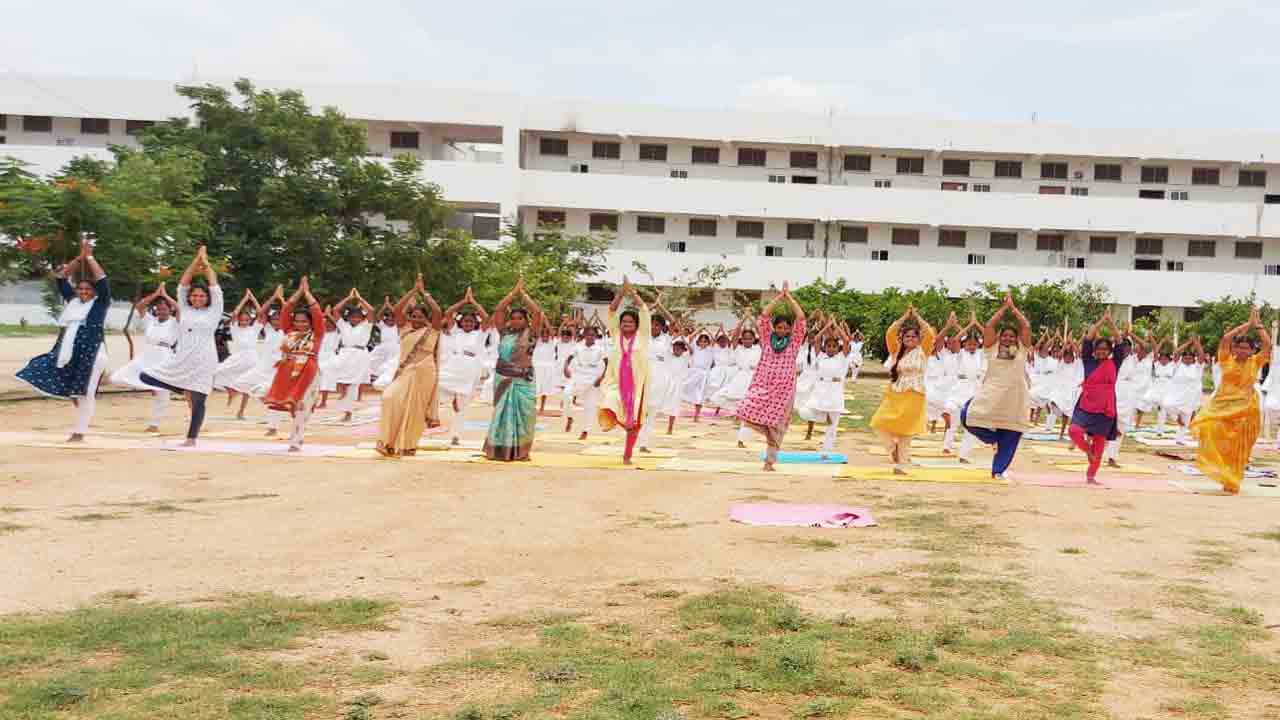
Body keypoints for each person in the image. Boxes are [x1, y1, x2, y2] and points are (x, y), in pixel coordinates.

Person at [16, 236, 111, 442]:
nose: (84, 292)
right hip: (68, 351)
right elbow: (60, 278)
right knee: (68, 387)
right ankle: (81, 419)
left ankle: (79, 431)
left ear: (94, 292)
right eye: (81, 289)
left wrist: (91, 258)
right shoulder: (73, 302)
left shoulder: (100, 303)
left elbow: (103, 281)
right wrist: (80, 257)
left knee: (86, 393)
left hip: (93, 353)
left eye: (88, 290)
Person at [139, 246, 223, 446]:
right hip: (182, 357)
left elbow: (214, 286)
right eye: (194, 296)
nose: (197, 298)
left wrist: (206, 262)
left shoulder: (214, 310)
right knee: (146, 376)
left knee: (198, 400)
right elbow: (183, 284)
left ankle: (191, 438)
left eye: (202, 296)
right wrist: (196, 261)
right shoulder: (183, 308)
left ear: (207, 298)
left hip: (204, 358)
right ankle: (183, 388)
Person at [1191, 308, 1272, 494]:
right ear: (1234, 349)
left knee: (1239, 448)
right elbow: (1227, 338)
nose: (1242, 350)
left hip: (1246, 411)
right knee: (1209, 427)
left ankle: (1232, 481)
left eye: (1246, 348)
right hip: (1222, 406)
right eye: (1239, 347)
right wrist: (1247, 325)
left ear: (1253, 350)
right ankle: (1222, 472)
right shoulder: (1226, 359)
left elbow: (1267, 345)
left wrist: (1258, 327)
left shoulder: (1256, 362)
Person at [959, 294, 1033, 480]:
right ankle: (993, 439)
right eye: (1005, 335)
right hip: (991, 394)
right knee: (967, 416)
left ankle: (998, 470)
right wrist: (1003, 309)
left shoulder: (1023, 349)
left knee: (1012, 433)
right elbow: (990, 326)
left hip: (1015, 396)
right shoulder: (991, 348)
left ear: (1016, 339)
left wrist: (1014, 309)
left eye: (1011, 336)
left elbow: (1026, 327)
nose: (1008, 338)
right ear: (1000, 337)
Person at [735, 284, 807, 471]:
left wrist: (789, 298)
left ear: (790, 330)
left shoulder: (794, 342)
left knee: (778, 426)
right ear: (774, 328)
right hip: (763, 385)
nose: (782, 330)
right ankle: (764, 434)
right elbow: (764, 317)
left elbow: (801, 318)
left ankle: (769, 462)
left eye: (786, 327)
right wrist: (778, 298)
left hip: (783, 390)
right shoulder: (767, 339)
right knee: (745, 408)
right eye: (779, 327)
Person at [376, 275, 443, 458]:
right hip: (405, 371)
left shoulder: (432, 330)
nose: (416, 319)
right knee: (389, 398)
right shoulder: (405, 329)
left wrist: (424, 293)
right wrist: (413, 290)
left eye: (420, 317)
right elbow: (397, 310)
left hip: (425, 372)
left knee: (415, 410)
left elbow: (438, 312)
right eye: (413, 316)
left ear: (426, 319)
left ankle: (408, 445)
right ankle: (388, 441)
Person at [870, 305, 937, 474]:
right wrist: (904, 317)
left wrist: (917, 317)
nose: (910, 339)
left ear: (918, 339)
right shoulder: (895, 351)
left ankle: (901, 465)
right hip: (895, 393)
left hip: (915, 394)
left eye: (913, 336)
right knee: (878, 423)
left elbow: (929, 333)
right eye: (907, 336)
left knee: (906, 432)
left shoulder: (924, 351)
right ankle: (893, 449)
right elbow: (890, 333)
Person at [483, 279, 544, 461]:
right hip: (503, 378)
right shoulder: (505, 333)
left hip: (523, 380)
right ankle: (499, 450)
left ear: (526, 321)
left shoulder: (531, 334)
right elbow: (499, 310)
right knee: (501, 414)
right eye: (514, 318)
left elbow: (537, 312)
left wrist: (523, 295)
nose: (516, 321)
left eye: (520, 318)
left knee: (525, 415)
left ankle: (521, 451)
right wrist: (512, 294)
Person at [261, 277, 325, 451]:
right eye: (297, 321)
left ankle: (296, 439)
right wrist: (298, 293)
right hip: (287, 370)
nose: (299, 324)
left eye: (304, 321)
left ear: (311, 323)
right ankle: (297, 434)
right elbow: (286, 310)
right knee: (291, 406)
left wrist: (308, 294)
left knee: (302, 406)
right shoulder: (289, 331)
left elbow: (318, 314)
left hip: (308, 372)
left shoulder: (317, 334)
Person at [1067, 311, 1128, 485]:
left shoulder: (1115, 362)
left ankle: (1091, 476)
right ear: (1094, 351)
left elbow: (1120, 341)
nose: (1101, 351)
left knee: (1100, 443)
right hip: (1086, 403)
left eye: (1105, 349)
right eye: (1099, 349)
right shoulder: (1088, 360)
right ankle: (1088, 450)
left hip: (1106, 407)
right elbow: (1088, 338)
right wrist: (1102, 320)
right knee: (1074, 431)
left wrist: (1111, 323)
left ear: (1109, 352)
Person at [109, 282, 179, 433]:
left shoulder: (175, 322)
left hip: (164, 356)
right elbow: (140, 306)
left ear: (170, 309)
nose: (161, 311)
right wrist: (156, 294)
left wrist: (165, 295)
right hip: (147, 355)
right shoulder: (151, 321)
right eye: (159, 308)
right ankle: (148, 386)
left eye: (164, 308)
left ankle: (154, 423)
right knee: (116, 378)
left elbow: (180, 309)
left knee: (162, 392)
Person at [599, 277, 652, 464]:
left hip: (637, 386)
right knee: (610, 401)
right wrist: (621, 293)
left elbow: (644, 311)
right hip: (615, 383)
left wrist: (633, 293)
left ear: (637, 325)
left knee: (635, 423)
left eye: (630, 322)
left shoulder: (643, 337)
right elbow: (612, 311)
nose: (626, 324)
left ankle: (627, 454)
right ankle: (620, 421)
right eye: (624, 322)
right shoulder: (616, 336)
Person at [437, 288, 490, 446]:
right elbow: (448, 313)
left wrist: (473, 302)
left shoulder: (479, 335)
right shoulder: (455, 332)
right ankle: (450, 399)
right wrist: (464, 301)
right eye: (465, 321)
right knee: (436, 384)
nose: (468, 323)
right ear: (460, 322)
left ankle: (456, 435)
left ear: (475, 323)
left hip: (469, 368)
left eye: (471, 321)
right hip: (453, 366)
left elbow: (487, 318)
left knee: (464, 404)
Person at [798, 319, 854, 458]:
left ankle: (827, 451)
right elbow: (816, 339)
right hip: (820, 391)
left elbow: (846, 340)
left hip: (834, 391)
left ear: (838, 348)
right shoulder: (821, 356)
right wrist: (826, 328)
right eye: (828, 346)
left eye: (834, 346)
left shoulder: (842, 357)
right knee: (804, 411)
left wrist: (835, 327)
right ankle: (824, 418)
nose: (830, 348)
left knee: (833, 426)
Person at [229, 287, 284, 420]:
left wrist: (281, 299)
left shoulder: (286, 330)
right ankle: (262, 402)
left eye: (279, 319)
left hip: (277, 367)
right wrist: (273, 297)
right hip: (262, 365)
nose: (277, 321)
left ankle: (274, 415)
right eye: (274, 319)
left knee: (272, 391)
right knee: (241, 383)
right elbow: (261, 312)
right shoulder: (268, 328)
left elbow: (288, 313)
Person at [1105, 325, 1152, 467]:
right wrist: (1122, 334)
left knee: (1121, 427)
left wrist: (1131, 334)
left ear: (1130, 348)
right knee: (1105, 422)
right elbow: (1110, 341)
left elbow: (1146, 347)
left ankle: (1112, 457)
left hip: (1128, 394)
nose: (1125, 349)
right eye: (1123, 346)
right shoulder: (1113, 356)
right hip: (1113, 390)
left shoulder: (1134, 358)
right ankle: (1096, 449)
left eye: (1127, 347)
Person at [330, 289, 375, 422]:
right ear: (348, 317)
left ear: (362, 318)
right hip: (344, 354)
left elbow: (371, 311)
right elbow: (335, 310)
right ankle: (345, 403)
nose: (355, 319)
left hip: (359, 355)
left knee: (354, 384)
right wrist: (348, 298)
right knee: (342, 381)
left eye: (358, 317)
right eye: (353, 316)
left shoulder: (366, 326)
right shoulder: (343, 325)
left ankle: (348, 412)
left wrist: (360, 298)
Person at [212, 289, 260, 409]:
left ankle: (241, 411)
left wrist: (252, 298)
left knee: (248, 385)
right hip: (238, 356)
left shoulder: (254, 328)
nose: (244, 322)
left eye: (247, 320)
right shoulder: (235, 328)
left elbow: (261, 313)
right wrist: (244, 299)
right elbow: (234, 314)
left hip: (251, 358)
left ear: (250, 320)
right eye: (242, 319)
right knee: (217, 371)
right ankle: (231, 390)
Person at [562, 325, 608, 439]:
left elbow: (608, 363)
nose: (590, 337)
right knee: (566, 394)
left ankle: (585, 431)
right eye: (588, 334)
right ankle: (569, 417)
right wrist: (565, 368)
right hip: (577, 377)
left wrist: (601, 378)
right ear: (584, 335)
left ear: (596, 336)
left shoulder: (600, 349)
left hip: (592, 379)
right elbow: (568, 359)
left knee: (590, 406)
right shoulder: (578, 347)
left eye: (592, 335)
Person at [1163, 337, 1205, 445]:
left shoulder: (1196, 367)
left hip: (1189, 397)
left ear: (1193, 359)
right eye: (1185, 358)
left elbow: (1201, 355)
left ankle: (1180, 440)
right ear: (1182, 359)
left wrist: (1196, 343)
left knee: (1186, 421)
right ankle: (1177, 418)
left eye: (1190, 358)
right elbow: (1176, 353)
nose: (1187, 359)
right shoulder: (1178, 366)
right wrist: (1188, 343)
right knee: (1166, 404)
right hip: (1176, 395)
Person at [683, 331, 714, 422]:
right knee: (687, 389)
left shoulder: (710, 350)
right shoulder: (695, 350)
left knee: (700, 396)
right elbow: (688, 341)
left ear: (708, 342)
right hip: (694, 374)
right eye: (701, 341)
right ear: (698, 342)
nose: (703, 343)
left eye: (705, 341)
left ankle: (696, 416)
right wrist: (699, 330)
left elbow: (713, 339)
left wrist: (708, 331)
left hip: (704, 375)